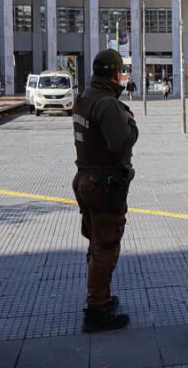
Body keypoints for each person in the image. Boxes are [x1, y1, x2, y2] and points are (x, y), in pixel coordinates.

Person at [72, 49, 138, 333]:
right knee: (106, 246)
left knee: (96, 244)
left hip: (86, 178)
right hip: (104, 184)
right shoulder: (108, 104)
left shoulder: (84, 98)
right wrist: (131, 123)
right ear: (115, 74)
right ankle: (96, 308)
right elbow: (119, 142)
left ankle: (100, 297)